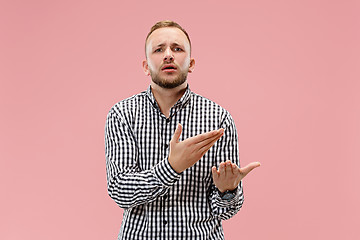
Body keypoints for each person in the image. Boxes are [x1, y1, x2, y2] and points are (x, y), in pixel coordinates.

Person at [105, 20, 260, 240]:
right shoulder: (122, 114)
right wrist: (171, 167)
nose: (168, 55)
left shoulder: (218, 119)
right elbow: (120, 191)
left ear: (191, 63)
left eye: (177, 49)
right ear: (145, 66)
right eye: (159, 50)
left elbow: (225, 211)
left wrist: (228, 191)